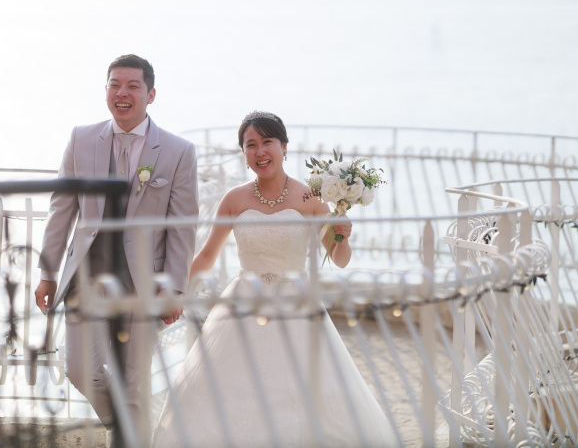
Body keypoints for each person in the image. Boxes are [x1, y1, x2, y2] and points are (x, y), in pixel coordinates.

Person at [152, 111, 397, 447]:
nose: (260, 151)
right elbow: (207, 256)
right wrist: (179, 293)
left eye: (267, 142)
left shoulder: (310, 198)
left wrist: (342, 234)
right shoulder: (234, 199)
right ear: (243, 152)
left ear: (284, 146)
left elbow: (340, 259)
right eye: (251, 145)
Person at [34, 54, 199, 444]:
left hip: (144, 284)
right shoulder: (81, 139)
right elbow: (62, 209)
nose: (122, 93)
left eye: (132, 86)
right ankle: (122, 425)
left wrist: (174, 288)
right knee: (79, 369)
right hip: (86, 279)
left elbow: (182, 225)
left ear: (150, 94)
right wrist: (47, 271)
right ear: (106, 90)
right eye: (114, 85)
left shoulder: (177, 151)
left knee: (135, 384)